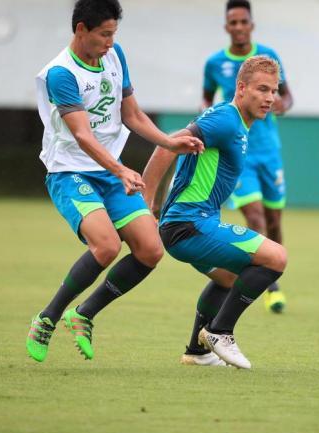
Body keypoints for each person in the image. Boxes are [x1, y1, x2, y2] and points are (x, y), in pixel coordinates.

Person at [26, 0, 203, 362]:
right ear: (80, 30)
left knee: (151, 251)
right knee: (106, 246)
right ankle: (47, 318)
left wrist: (169, 142)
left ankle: (84, 314)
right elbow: (83, 136)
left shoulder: (114, 54)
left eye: (113, 34)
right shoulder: (61, 74)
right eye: (104, 34)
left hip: (108, 170)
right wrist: (122, 170)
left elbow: (132, 114)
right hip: (69, 171)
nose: (110, 42)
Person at [142, 56, 287, 369]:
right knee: (276, 257)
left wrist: (157, 207)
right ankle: (220, 332)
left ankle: (197, 351)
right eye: (262, 89)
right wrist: (146, 203)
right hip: (188, 226)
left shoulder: (236, 124)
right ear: (241, 87)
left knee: (228, 277)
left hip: (188, 225)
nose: (270, 98)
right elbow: (169, 144)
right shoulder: (226, 119)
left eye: (273, 91)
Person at [202, 0, 294, 313]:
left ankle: (272, 269)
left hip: (270, 152)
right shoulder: (215, 63)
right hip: (238, 152)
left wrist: (283, 103)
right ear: (227, 26)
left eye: (244, 22)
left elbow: (288, 95)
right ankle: (270, 285)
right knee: (253, 217)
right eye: (233, 22)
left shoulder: (268, 57)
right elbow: (206, 98)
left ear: (251, 24)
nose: (239, 27)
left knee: (273, 221)